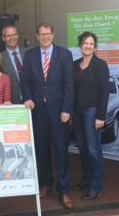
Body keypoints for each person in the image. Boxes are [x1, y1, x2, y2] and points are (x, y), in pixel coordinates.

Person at [20, 22, 74, 208]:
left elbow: (69, 85)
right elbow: (24, 81)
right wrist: (27, 97)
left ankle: (64, 189)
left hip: (60, 112)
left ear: (53, 35)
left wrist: (67, 109)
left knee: (60, 150)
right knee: (41, 149)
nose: (45, 37)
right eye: (41, 34)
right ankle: (46, 183)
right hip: (38, 111)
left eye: (48, 34)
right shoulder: (30, 55)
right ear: (37, 36)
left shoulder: (64, 55)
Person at [72, 32, 109, 200]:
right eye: (85, 43)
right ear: (80, 45)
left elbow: (104, 93)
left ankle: (96, 186)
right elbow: (71, 90)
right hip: (78, 112)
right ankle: (86, 180)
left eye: (91, 43)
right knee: (82, 147)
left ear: (95, 46)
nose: (88, 46)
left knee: (94, 150)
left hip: (92, 112)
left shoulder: (101, 65)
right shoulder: (75, 65)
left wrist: (100, 116)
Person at [0, 25, 27, 104]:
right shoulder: (0, 58)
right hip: (11, 103)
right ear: (3, 38)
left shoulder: (28, 53)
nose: (12, 38)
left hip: (30, 102)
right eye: (8, 36)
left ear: (17, 35)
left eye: (14, 35)